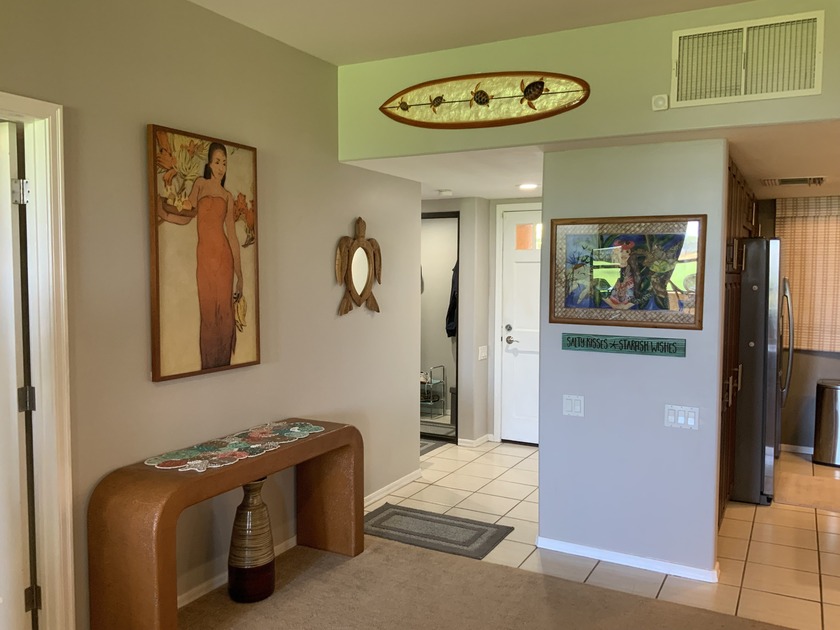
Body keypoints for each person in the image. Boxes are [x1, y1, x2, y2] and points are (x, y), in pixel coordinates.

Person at [158, 142, 243, 369]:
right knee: (208, 315)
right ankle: (209, 366)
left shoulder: (227, 196)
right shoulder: (200, 185)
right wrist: (164, 214)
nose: (221, 167)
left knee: (225, 314)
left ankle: (225, 364)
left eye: (224, 163)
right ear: (209, 164)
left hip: (224, 258)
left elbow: (233, 237)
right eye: (217, 162)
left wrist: (240, 276)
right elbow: (186, 216)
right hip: (204, 258)